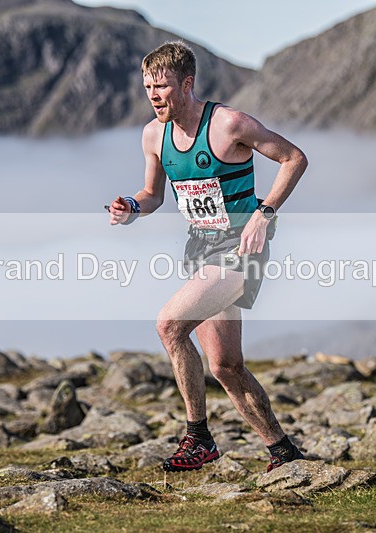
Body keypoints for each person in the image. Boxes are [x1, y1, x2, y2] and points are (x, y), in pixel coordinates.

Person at [107, 41, 308, 473]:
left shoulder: (229, 123)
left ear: (187, 83)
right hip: (199, 248)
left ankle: (198, 438)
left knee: (169, 326)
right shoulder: (153, 135)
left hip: (240, 249)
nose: (154, 96)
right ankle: (285, 453)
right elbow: (153, 194)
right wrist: (132, 207)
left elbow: (294, 158)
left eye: (161, 86)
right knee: (226, 366)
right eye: (147, 87)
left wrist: (263, 213)